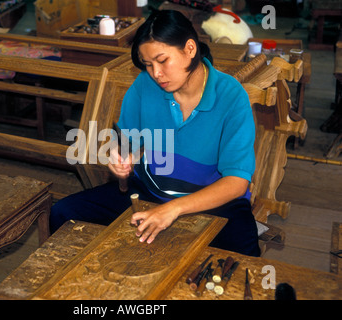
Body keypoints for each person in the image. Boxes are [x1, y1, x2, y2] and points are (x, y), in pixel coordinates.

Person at [50, 10, 260, 257]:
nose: (156, 73)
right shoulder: (145, 85)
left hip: (214, 204)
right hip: (148, 192)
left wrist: (173, 209)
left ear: (190, 49)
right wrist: (120, 158)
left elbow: (236, 183)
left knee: (244, 263)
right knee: (63, 213)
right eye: (148, 65)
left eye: (162, 60)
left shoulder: (231, 96)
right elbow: (127, 142)